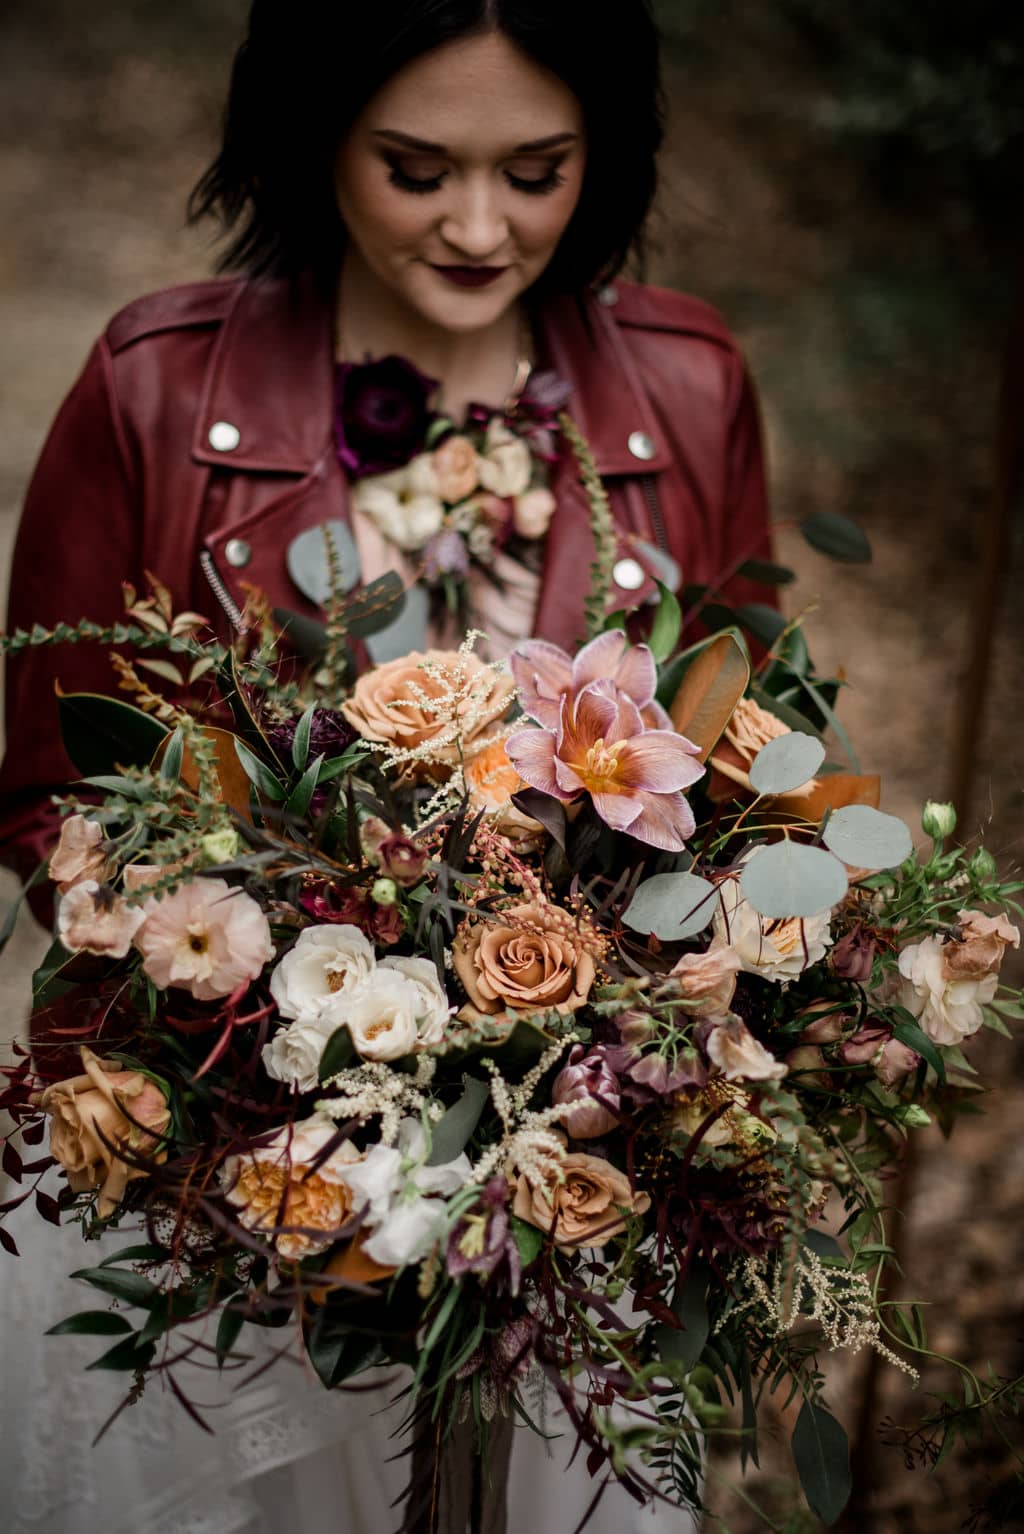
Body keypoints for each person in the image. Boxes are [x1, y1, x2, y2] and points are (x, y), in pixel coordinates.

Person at [0, 2, 773, 1530]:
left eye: (537, 171)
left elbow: (742, 754)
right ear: (315, 139)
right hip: (233, 1204)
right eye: (417, 170)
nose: (482, 226)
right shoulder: (155, 387)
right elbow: (50, 795)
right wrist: (278, 1013)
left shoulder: (686, 387)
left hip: (569, 1206)